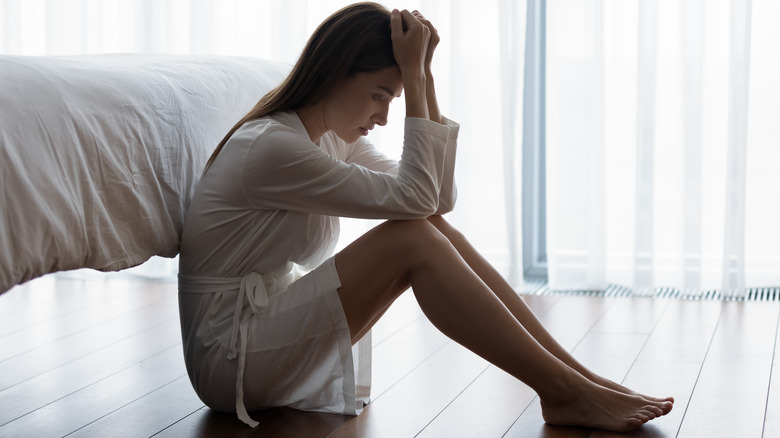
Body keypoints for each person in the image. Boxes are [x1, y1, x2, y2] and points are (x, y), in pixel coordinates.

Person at [178, 2, 674, 432]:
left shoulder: (329, 138)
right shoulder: (272, 148)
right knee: (410, 239)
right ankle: (564, 389)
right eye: (379, 95)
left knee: (427, 228)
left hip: (259, 335)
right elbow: (418, 200)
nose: (384, 116)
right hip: (228, 360)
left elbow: (436, 199)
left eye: (392, 99)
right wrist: (413, 75)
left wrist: (426, 77)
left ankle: (578, 382)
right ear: (335, 72)